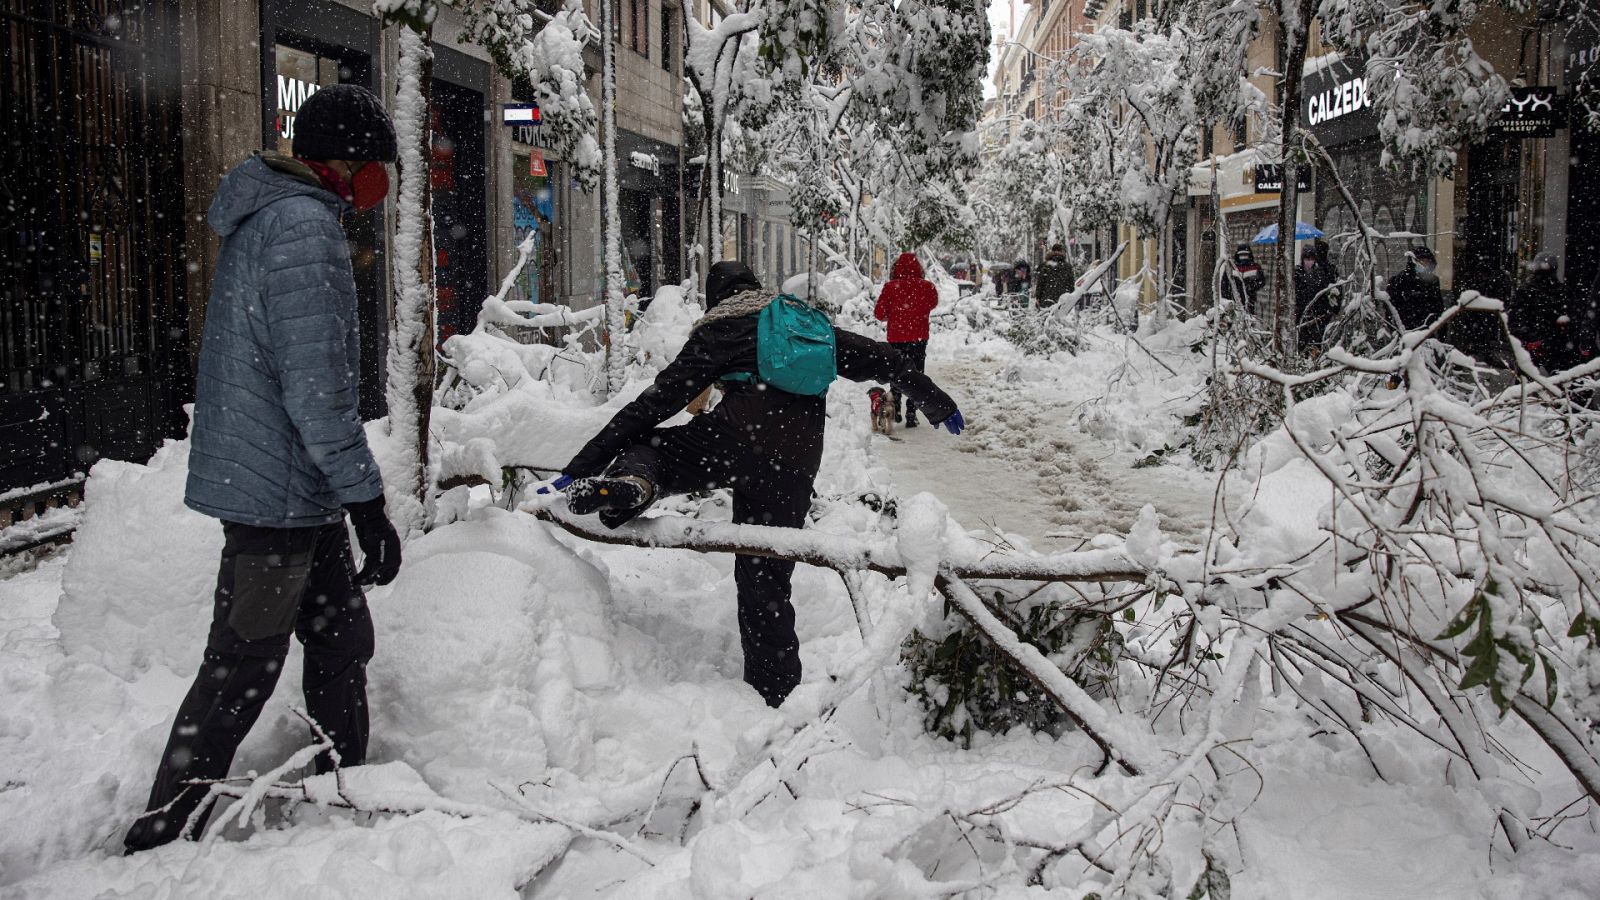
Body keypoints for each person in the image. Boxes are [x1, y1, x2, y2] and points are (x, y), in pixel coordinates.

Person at [124, 84, 403, 853]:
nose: (383, 182)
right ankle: (163, 825)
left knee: (341, 639)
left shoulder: (284, 219)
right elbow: (316, 391)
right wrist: (368, 504)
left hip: (294, 488)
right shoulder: (302, 230)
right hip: (279, 492)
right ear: (343, 163)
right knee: (243, 661)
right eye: (377, 165)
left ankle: (345, 784)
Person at [545, 261, 962, 708]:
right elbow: (883, 358)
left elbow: (654, 403)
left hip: (734, 440)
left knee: (651, 444)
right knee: (766, 580)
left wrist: (582, 462)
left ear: (714, 295)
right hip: (797, 459)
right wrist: (936, 402)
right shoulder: (803, 322)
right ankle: (775, 698)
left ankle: (636, 481)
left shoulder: (721, 327)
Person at [874, 252, 940, 425]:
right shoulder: (928, 287)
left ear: (896, 268)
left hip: (896, 338)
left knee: (896, 371)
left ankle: (895, 406)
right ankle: (912, 413)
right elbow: (932, 304)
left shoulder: (890, 287)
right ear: (918, 268)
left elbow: (879, 314)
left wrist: (895, 314)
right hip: (918, 338)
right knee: (916, 374)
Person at [1510, 252, 1588, 371]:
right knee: (1560, 381)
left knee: (1526, 383)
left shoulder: (1527, 290)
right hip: (1550, 345)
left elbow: (1514, 320)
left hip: (1545, 345)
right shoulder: (1562, 291)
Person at [1386, 246, 1444, 332]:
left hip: (1427, 330)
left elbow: (1438, 307)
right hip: (1406, 328)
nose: (1424, 264)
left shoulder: (1433, 281)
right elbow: (1391, 307)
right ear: (1413, 261)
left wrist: (1439, 329)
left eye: (1427, 261)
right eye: (1421, 261)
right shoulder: (1399, 279)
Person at [1295, 242, 1340, 354]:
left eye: (1311, 258)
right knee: (1302, 341)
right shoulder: (1297, 272)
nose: (1309, 261)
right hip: (1302, 313)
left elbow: (1324, 292)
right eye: (1307, 258)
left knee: (1316, 342)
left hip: (1317, 312)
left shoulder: (1320, 273)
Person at [1219, 244, 1263, 314]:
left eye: (1245, 255)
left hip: (1250, 299)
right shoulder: (1231, 267)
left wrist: (1252, 287)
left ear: (1249, 255)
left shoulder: (1255, 267)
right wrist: (1226, 298)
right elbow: (1224, 283)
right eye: (1241, 255)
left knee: (1249, 317)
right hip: (1234, 298)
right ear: (1237, 256)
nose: (1243, 257)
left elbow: (1261, 281)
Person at [1034, 244, 1076, 309]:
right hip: (1063, 300)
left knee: (1047, 317)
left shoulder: (1045, 265)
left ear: (1052, 251)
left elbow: (1040, 283)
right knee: (1062, 318)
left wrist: (1038, 297)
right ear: (1062, 251)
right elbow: (1071, 284)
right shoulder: (1067, 266)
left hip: (1047, 298)